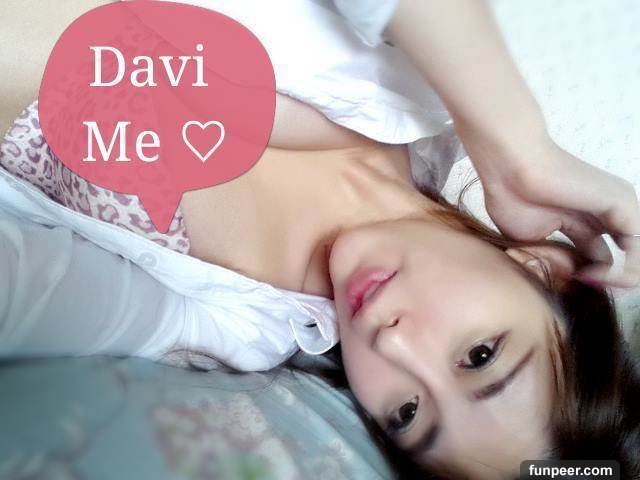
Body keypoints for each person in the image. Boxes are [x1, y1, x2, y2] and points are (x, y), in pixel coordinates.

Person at [1, 0, 639, 478]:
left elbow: (26, 290)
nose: (393, 344)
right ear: (539, 269)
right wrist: (518, 150)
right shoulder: (410, 78)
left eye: (408, 413)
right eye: (478, 355)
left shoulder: (240, 321)